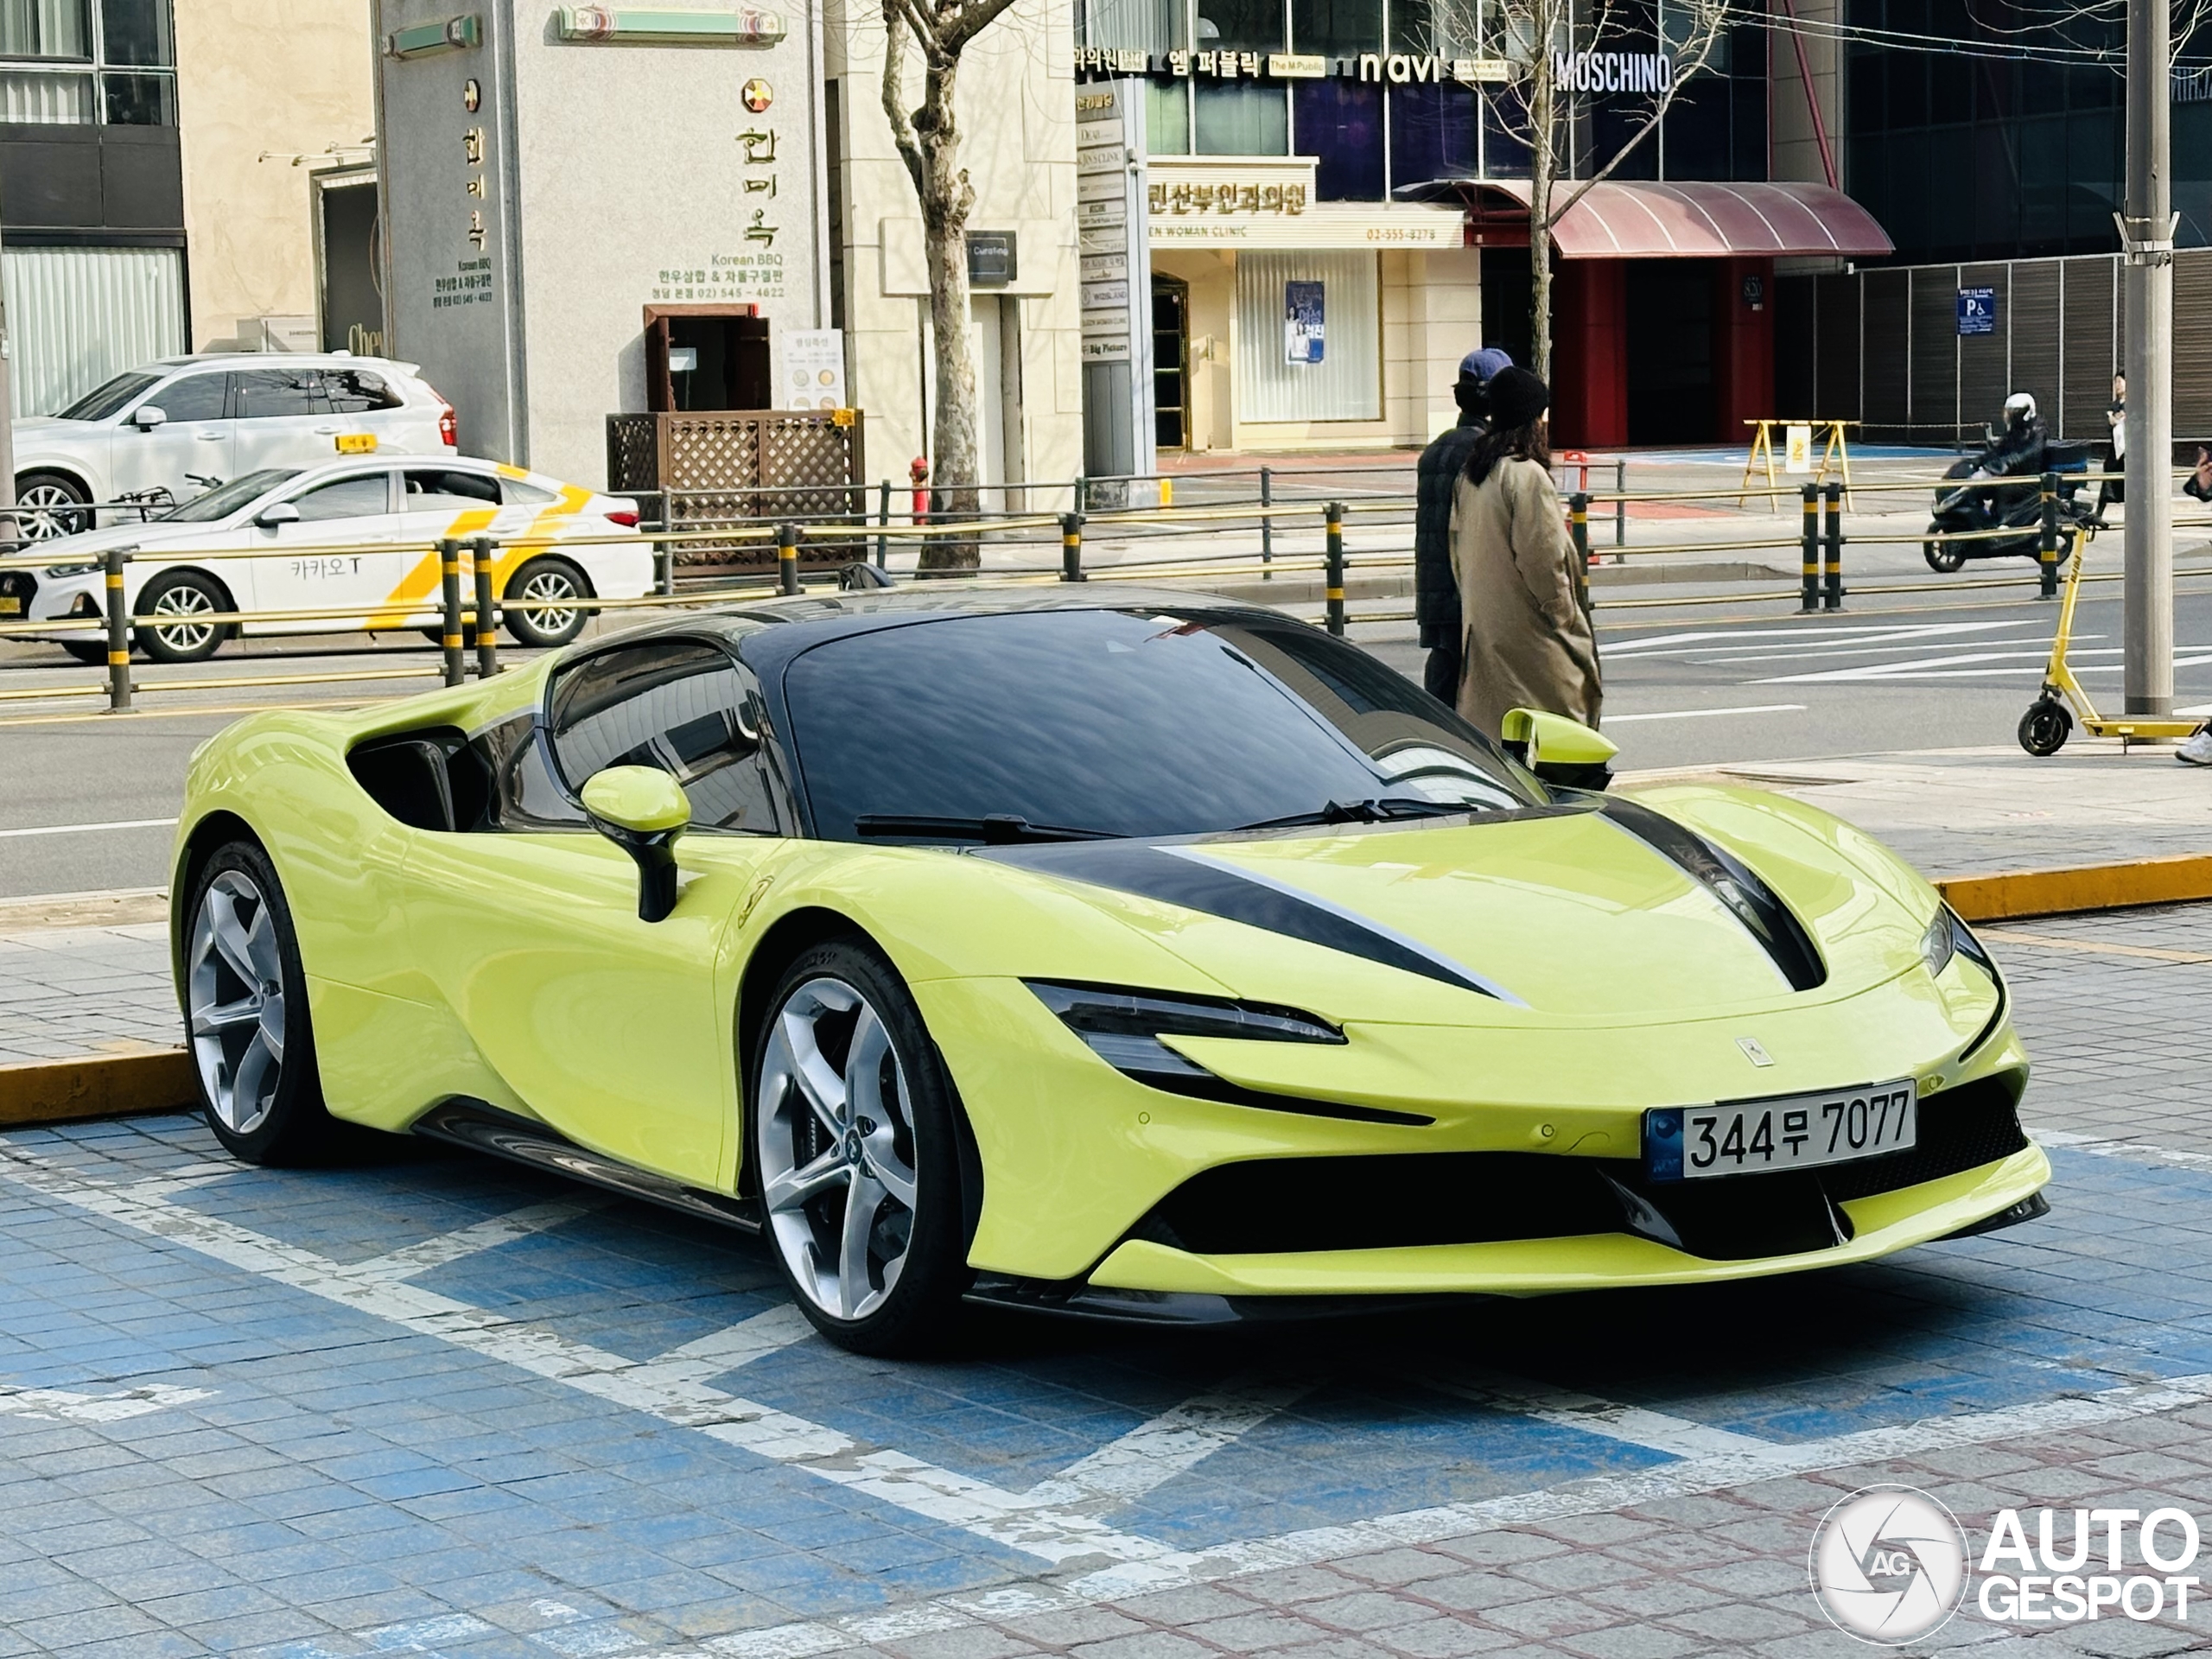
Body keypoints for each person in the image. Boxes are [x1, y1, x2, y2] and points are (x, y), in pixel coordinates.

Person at [1448, 365, 1601, 741]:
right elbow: (1542, 557)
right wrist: (1564, 616)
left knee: (1498, 728)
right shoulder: (1526, 475)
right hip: (1531, 631)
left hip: (1486, 627)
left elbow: (1455, 550)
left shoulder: (1471, 474)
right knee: (1564, 717)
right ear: (1532, 419)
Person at [1414, 347, 1513, 702]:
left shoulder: (1435, 449)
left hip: (1433, 584)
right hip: (1470, 585)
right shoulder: (1485, 452)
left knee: (1443, 677)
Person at [2092, 373, 2125, 527]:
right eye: (2116, 382)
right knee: (2109, 481)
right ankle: (2098, 513)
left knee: (2129, 484)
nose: (2117, 385)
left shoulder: (2135, 403)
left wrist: (2117, 418)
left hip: (2128, 452)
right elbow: (2110, 422)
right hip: (2115, 450)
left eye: (2120, 382)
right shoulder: (2114, 405)